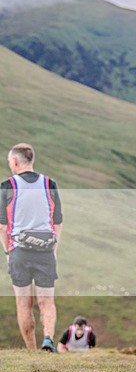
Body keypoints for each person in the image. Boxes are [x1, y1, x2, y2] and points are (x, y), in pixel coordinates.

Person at [0, 143, 63, 352]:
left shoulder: (7, 186)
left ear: (15, 161)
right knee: (46, 301)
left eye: (10, 161)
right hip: (45, 251)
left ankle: (31, 350)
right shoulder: (49, 184)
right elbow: (57, 222)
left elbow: (2, 226)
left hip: (19, 252)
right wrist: (53, 249)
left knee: (23, 303)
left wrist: (8, 251)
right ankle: (48, 339)